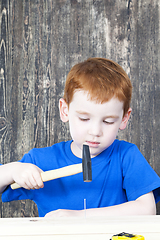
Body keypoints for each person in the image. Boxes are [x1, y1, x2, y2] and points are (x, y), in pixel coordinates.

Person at [0, 58, 160, 218]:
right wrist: (12, 170)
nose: (95, 131)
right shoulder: (40, 160)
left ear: (124, 118)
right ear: (65, 110)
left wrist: (80, 216)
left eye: (108, 121)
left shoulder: (126, 155)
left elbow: (147, 209)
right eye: (84, 119)